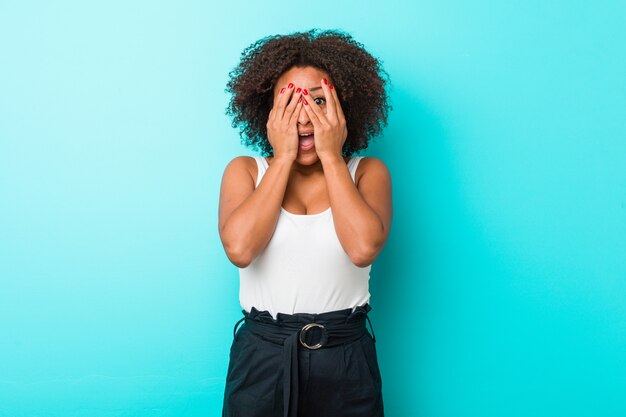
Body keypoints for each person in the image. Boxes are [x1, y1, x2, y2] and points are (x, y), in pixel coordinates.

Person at [218, 29, 393, 417]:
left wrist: (332, 156)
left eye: (318, 101)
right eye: (290, 105)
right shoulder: (246, 171)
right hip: (263, 356)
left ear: (342, 107)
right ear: (268, 112)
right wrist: (281, 159)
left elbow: (363, 249)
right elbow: (241, 250)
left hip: (346, 356)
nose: (306, 118)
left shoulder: (368, 173)